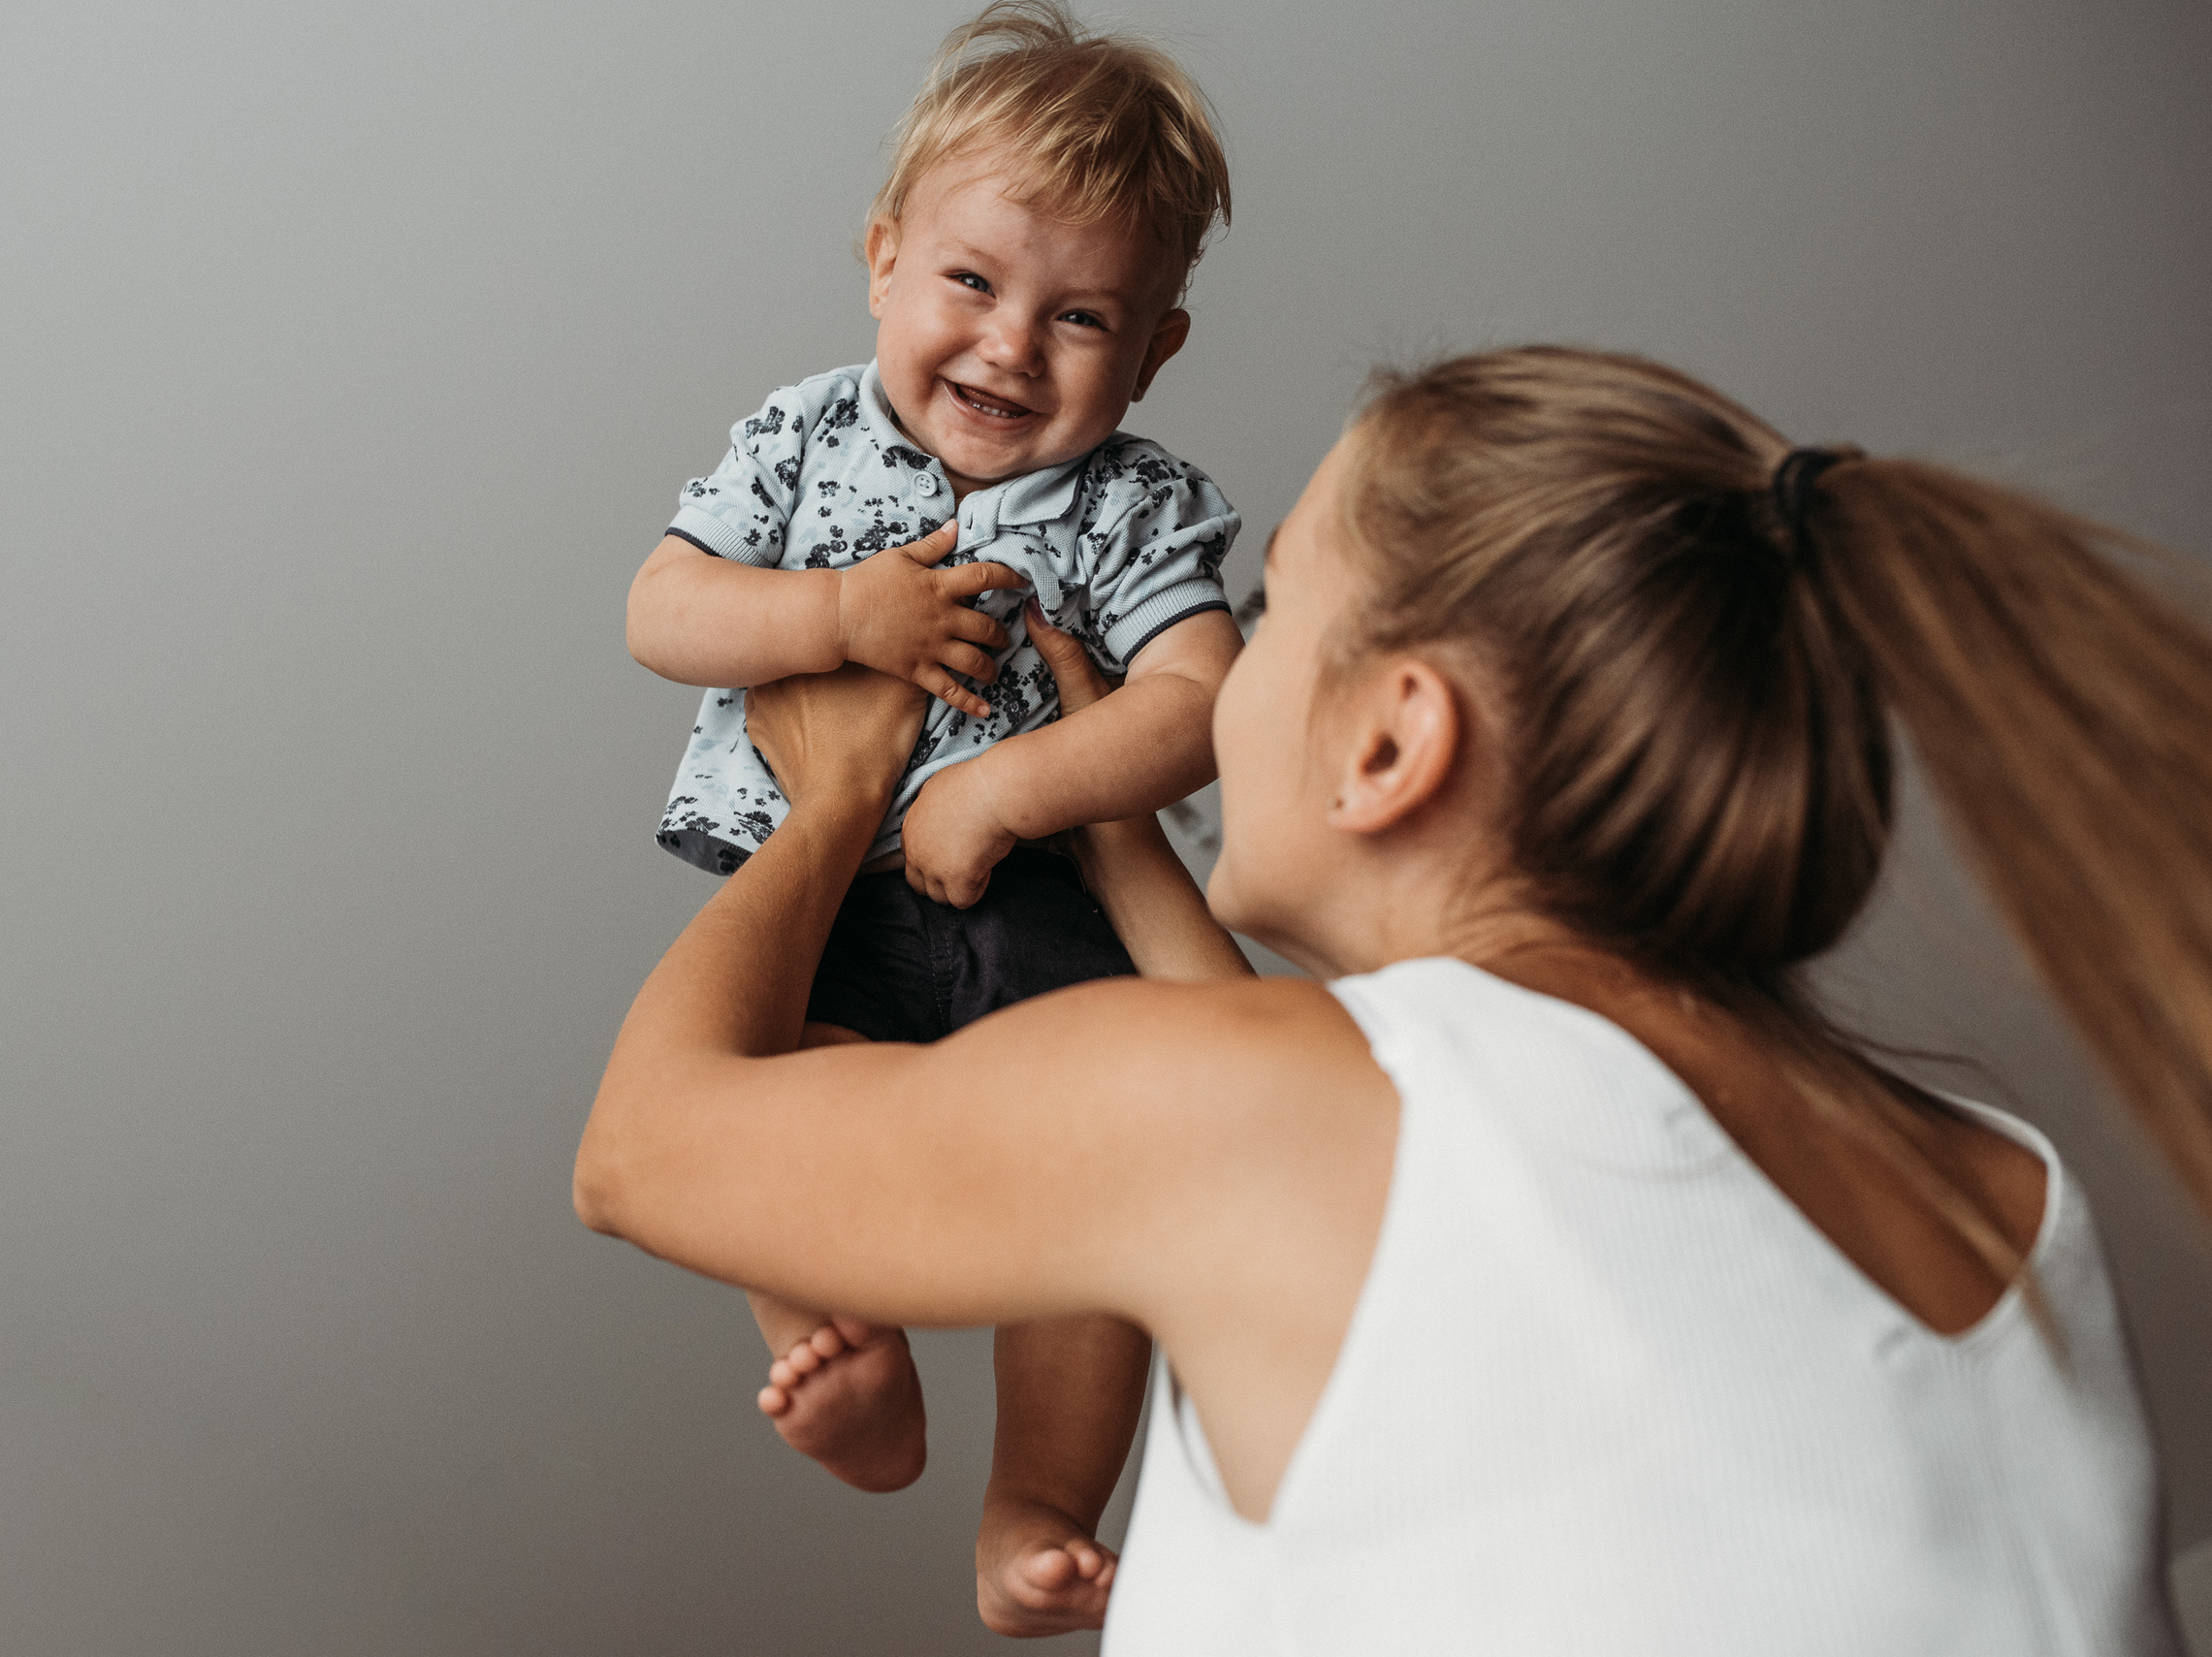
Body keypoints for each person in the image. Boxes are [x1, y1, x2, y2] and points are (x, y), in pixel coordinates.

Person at [581, 342, 2212, 1648]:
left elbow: (639, 1150)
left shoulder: (1277, 1110)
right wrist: (1111, 827)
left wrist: (836, 802)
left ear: (1391, 740)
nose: (1216, 673)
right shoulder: (2010, 1192)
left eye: (1267, 613)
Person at [622, 0, 1244, 1630]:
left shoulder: (1132, 505)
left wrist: (1011, 784)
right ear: (884, 259)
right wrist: (835, 613)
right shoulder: (802, 433)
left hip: (1035, 910)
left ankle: (1035, 1503)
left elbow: (1199, 699)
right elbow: (663, 608)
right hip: (816, 902)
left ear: (1157, 347)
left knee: (1098, 1201)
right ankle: (852, 1373)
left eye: (1082, 315)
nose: (1012, 347)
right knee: (764, 1115)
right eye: (971, 281)